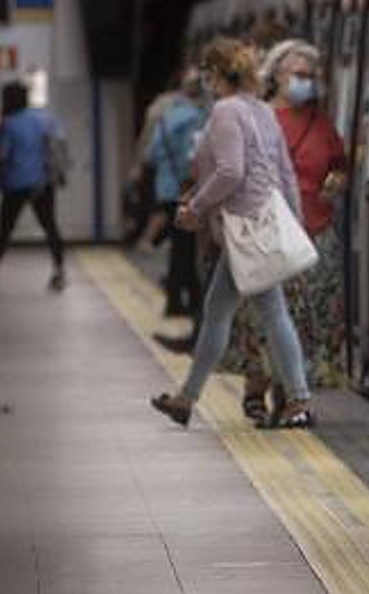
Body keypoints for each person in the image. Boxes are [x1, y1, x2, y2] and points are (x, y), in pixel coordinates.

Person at [149, 37, 314, 430]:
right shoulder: (261, 110)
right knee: (220, 312)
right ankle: (186, 399)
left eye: (207, 74)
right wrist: (295, 221)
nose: (205, 82)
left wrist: (195, 206)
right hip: (259, 224)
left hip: (244, 227)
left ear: (218, 75)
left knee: (265, 313)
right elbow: (285, 172)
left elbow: (230, 171)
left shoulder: (225, 111)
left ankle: (299, 400)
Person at [223, 39, 348, 419]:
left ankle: (288, 395)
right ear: (276, 75)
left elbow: (340, 164)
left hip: (314, 230)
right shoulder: (254, 117)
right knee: (264, 316)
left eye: (311, 77)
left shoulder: (322, 123)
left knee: (304, 316)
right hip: (267, 231)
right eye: (298, 75)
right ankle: (257, 387)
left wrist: (335, 181)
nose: (305, 83)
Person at [0, 81, 68, 291]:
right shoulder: (45, 119)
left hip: (16, 185)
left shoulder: (8, 123)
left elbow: (1, 155)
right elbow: (58, 143)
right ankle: (60, 272)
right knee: (50, 227)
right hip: (43, 183)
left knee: (4, 229)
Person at [139, 65, 206, 317]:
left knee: (180, 246)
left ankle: (183, 299)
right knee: (185, 248)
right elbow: (195, 155)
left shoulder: (168, 114)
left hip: (165, 187)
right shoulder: (195, 118)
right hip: (184, 188)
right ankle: (181, 301)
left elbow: (151, 153)